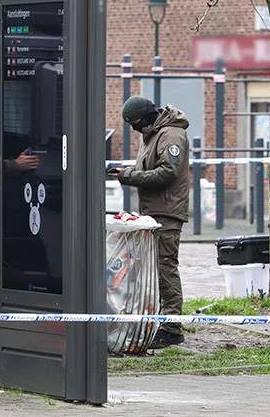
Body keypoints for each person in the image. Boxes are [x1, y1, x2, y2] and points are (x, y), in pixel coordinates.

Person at [108, 95, 190, 349]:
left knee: (165, 267)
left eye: (135, 124)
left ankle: (171, 327)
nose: (134, 130)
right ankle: (158, 321)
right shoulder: (154, 134)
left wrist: (130, 176)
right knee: (154, 268)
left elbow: (168, 172)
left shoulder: (171, 135)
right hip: (154, 211)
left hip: (166, 212)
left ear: (147, 118)